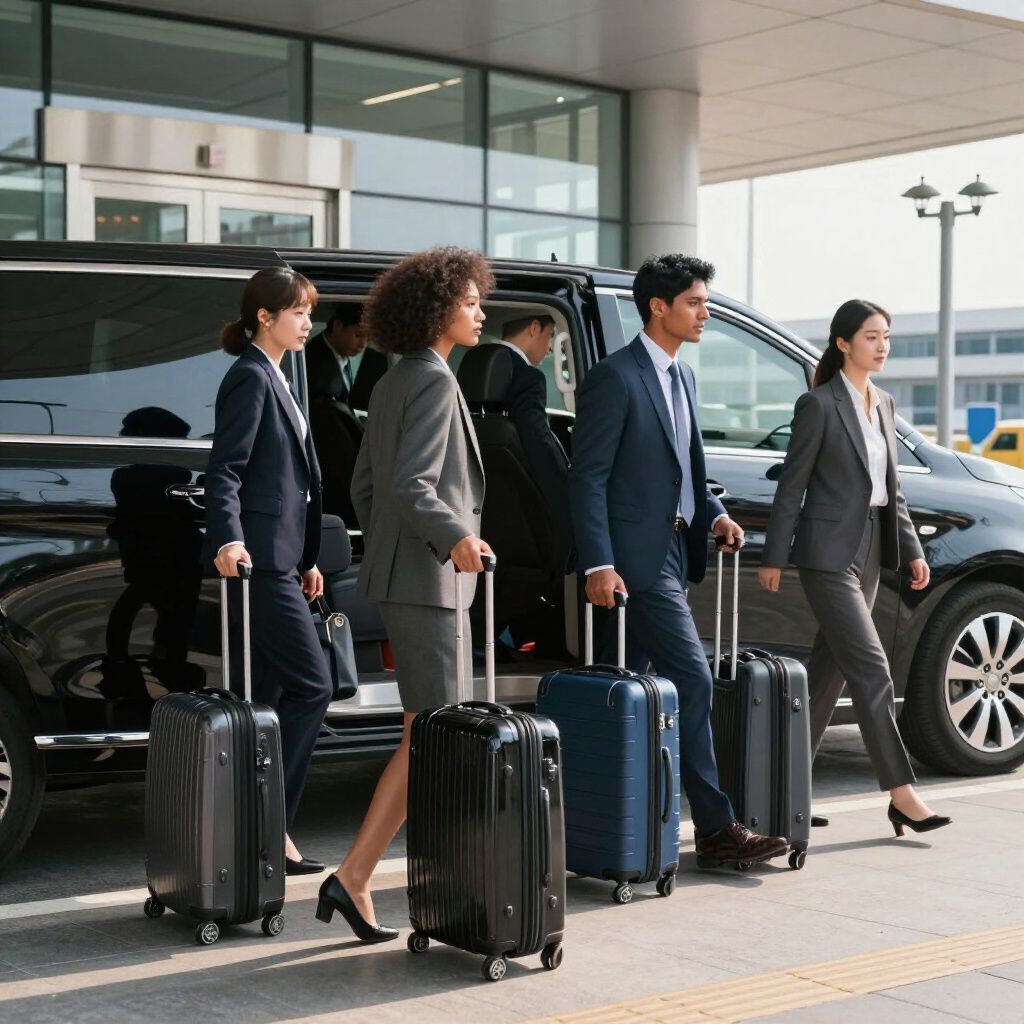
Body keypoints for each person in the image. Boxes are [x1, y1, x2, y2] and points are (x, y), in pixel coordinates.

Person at [569, 253, 789, 869]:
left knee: (628, 694)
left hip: (674, 549)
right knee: (691, 679)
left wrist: (715, 512)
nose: (705, 313)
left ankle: (610, 822)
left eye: (705, 301)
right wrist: (598, 564)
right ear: (658, 306)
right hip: (636, 562)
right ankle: (717, 830)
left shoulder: (682, 377)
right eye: (694, 302)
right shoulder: (616, 377)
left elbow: (690, 468)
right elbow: (587, 478)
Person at [317, 247, 493, 943]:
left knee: (425, 733)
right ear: (437, 309)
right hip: (431, 581)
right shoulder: (434, 381)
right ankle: (362, 876)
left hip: (406, 576)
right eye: (471, 301)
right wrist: (454, 538)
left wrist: (397, 544)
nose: (481, 312)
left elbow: (366, 485)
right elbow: (411, 484)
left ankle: (360, 877)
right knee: (432, 736)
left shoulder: (393, 380)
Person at [758, 299, 951, 837]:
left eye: (886, 336)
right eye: (871, 337)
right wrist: (774, 557)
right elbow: (791, 485)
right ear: (844, 343)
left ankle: (786, 792)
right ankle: (901, 793)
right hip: (826, 553)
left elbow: (892, 488)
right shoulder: (818, 405)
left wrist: (911, 549)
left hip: (871, 547)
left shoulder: (884, 403)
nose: (882, 345)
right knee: (872, 669)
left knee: (830, 671)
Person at [204, 267, 334, 877]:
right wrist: (229, 540)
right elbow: (225, 470)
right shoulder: (251, 377)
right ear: (265, 316)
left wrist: (307, 559)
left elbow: (292, 482)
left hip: (284, 561)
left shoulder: (278, 376)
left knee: (277, 695)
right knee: (314, 686)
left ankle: (258, 830)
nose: (309, 321)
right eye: (299, 311)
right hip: (259, 566)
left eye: (309, 311)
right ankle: (271, 824)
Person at [496, 313, 571, 568]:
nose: (550, 347)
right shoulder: (527, 377)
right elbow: (537, 441)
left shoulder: (477, 372)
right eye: (549, 335)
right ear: (534, 328)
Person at [305, 304, 367, 405]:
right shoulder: (315, 363)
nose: (363, 344)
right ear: (338, 326)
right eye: (358, 335)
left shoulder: (341, 354)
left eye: (368, 338)